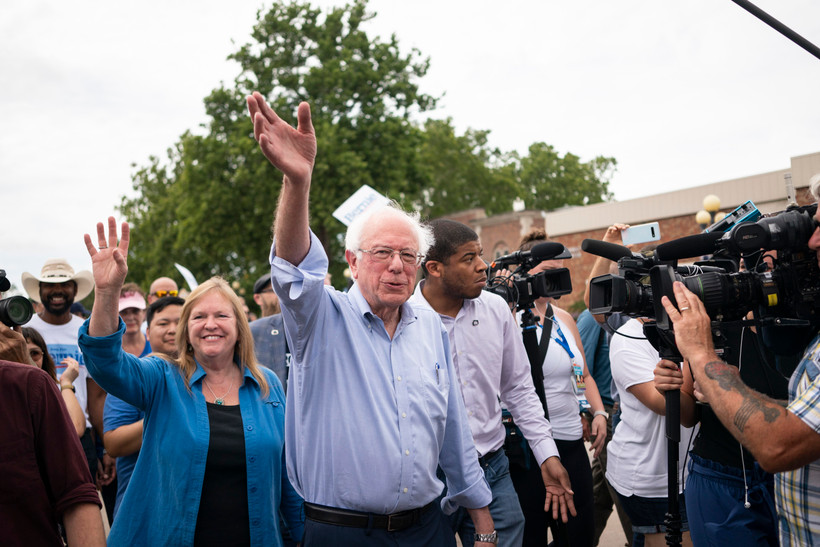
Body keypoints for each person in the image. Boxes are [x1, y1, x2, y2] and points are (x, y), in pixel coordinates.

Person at [248, 92, 496, 546]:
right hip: (340, 532)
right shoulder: (319, 319)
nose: (397, 265)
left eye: (408, 255)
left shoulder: (431, 332)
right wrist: (297, 183)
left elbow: (454, 430)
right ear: (352, 261)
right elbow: (292, 269)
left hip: (427, 529)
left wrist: (481, 517)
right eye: (382, 253)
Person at [79, 218, 304, 545]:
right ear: (186, 330)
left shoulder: (267, 384)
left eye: (221, 316)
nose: (210, 324)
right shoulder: (162, 377)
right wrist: (107, 291)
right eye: (199, 316)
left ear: (240, 326)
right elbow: (105, 363)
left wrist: (303, 536)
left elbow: (288, 479)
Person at [659, 176, 820, 547]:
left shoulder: (803, 324)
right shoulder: (715, 322)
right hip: (722, 477)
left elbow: (784, 437)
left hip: (777, 474)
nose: (768, 273)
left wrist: (709, 367)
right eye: (762, 263)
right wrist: (697, 379)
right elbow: (687, 413)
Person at [410, 219, 576, 546]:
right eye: (468, 258)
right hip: (429, 475)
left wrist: (547, 454)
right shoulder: (404, 317)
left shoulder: (496, 309)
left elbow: (518, 389)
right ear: (434, 267)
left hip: (493, 468)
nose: (483, 267)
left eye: (481, 255)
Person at [507, 229, 606, 547]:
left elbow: (582, 374)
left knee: (578, 538)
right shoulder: (506, 318)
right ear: (525, 273)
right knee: (530, 538)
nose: (554, 279)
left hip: (572, 446)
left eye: (558, 272)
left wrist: (596, 410)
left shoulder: (564, 318)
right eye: (546, 272)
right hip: (529, 452)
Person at [0, 323, 105, 546]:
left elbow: (76, 427)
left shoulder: (36, 385)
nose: (28, 357)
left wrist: (62, 383)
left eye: (35, 353)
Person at [606, 315, 696, 547]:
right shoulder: (627, 338)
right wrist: (695, 350)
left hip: (685, 472)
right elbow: (672, 409)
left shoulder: (686, 326)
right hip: (652, 479)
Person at [22, 258, 114, 484]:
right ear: (40, 290)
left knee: (82, 507)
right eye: (50, 285)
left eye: (64, 284)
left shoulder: (87, 331)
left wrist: (104, 447)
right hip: (33, 434)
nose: (57, 291)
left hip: (80, 436)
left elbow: (96, 396)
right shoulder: (24, 330)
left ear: (74, 290)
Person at [103, 292, 182, 519]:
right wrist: (169, 413)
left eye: (180, 322)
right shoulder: (134, 376)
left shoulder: (213, 377)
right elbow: (114, 444)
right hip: (143, 509)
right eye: (163, 323)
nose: (172, 330)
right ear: (148, 332)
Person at [576, 309, 634, 546]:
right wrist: (582, 409)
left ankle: (578, 541)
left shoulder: (629, 314)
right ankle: (640, 540)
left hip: (624, 415)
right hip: (606, 417)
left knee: (600, 492)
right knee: (625, 493)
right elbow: (579, 368)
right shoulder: (592, 318)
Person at [24, 326, 87, 437]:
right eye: (21, 352)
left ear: (44, 358)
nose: (28, 360)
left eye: (34, 353)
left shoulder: (49, 390)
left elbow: (76, 429)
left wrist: (66, 383)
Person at [249, 273, 289, 391]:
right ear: (258, 298)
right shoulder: (251, 333)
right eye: (274, 290)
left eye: (283, 289)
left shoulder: (298, 330)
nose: (280, 294)